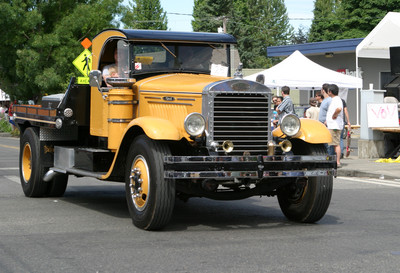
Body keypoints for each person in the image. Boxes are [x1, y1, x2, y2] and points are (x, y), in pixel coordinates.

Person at [326, 84, 344, 167]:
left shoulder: (337, 99)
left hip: (335, 125)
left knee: (336, 144)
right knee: (334, 143)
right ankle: (335, 161)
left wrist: (334, 115)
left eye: (328, 91)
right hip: (333, 125)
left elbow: (339, 109)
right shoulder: (335, 99)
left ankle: (337, 162)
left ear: (330, 92)